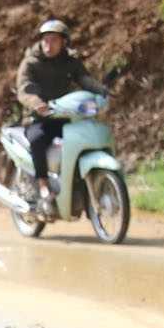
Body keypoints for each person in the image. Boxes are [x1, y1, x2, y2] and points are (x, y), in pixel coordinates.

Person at [14, 20, 108, 216]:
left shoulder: (70, 63)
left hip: (64, 116)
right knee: (38, 140)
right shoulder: (31, 63)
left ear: (64, 42)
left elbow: (86, 80)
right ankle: (43, 185)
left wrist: (103, 92)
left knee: (81, 137)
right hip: (38, 118)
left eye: (54, 41)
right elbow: (24, 89)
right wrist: (36, 103)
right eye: (45, 40)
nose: (48, 45)